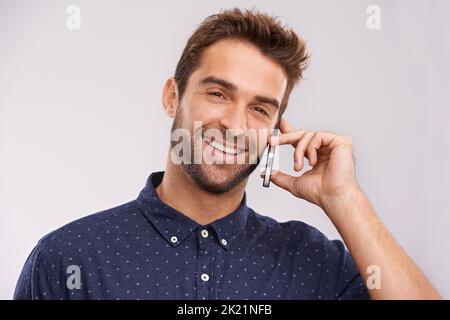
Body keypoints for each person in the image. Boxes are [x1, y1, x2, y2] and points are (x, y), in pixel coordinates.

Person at [14, 8, 440, 300]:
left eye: (259, 108)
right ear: (171, 96)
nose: (235, 126)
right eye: (218, 93)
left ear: (276, 128)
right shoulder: (68, 258)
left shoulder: (316, 264)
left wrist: (346, 200)